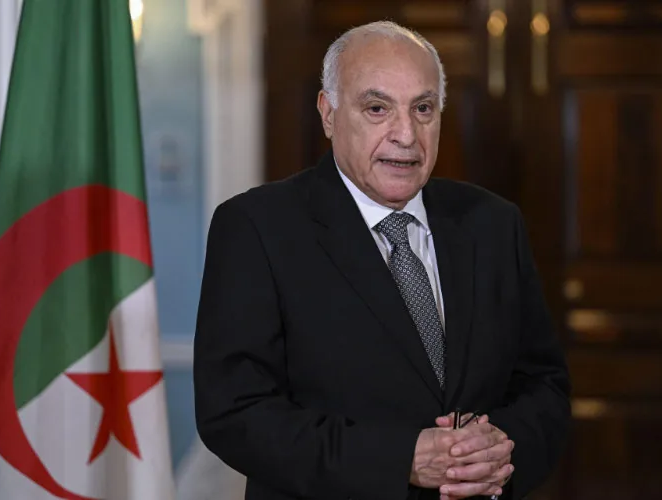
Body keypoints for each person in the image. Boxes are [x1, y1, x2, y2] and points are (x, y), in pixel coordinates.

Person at [193, 20, 571, 500]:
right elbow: (235, 412)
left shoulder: (493, 223)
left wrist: (499, 454)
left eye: (423, 108)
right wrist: (400, 460)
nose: (406, 135)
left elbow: (544, 386)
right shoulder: (257, 227)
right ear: (328, 114)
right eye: (377, 108)